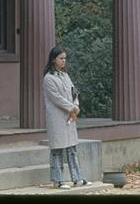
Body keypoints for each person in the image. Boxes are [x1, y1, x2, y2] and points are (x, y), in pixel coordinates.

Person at [43, 45, 92, 189]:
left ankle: (77, 178)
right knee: (57, 149)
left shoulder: (65, 76)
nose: (64, 61)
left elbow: (73, 92)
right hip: (57, 118)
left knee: (72, 149)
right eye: (61, 58)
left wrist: (75, 105)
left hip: (70, 117)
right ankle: (58, 180)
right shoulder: (48, 78)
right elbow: (56, 98)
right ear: (53, 60)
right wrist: (72, 108)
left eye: (65, 58)